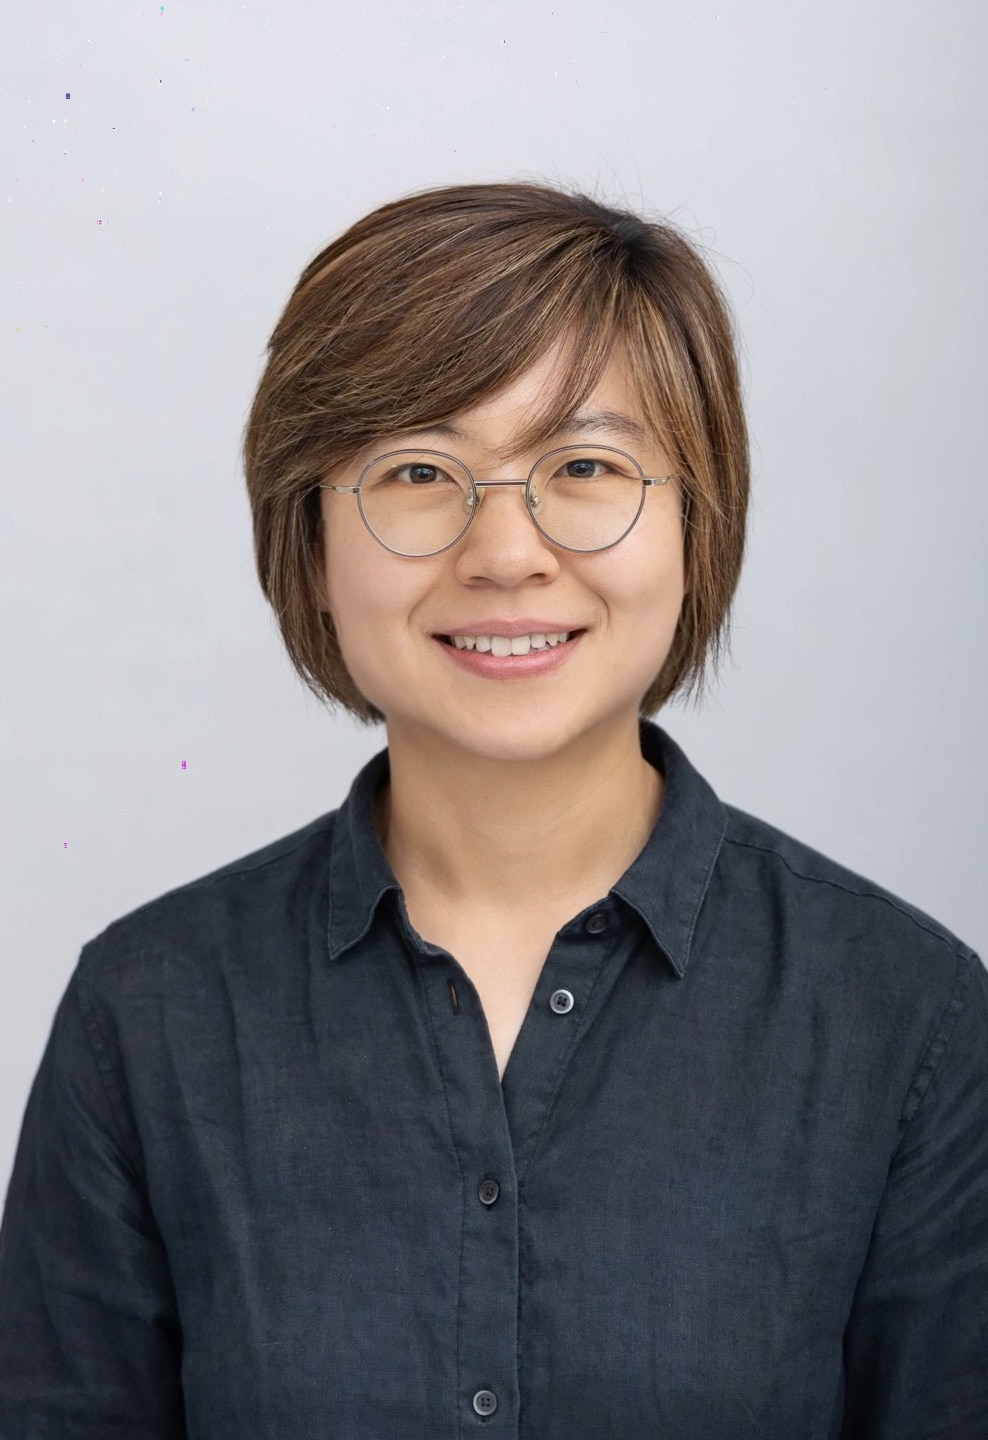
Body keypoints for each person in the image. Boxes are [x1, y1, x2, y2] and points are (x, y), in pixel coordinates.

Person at [0, 180, 985, 1438]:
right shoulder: (146, 1019)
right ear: (309, 540)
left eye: (585, 465)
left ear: (699, 520)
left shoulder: (908, 1019)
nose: (506, 550)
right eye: (419, 469)